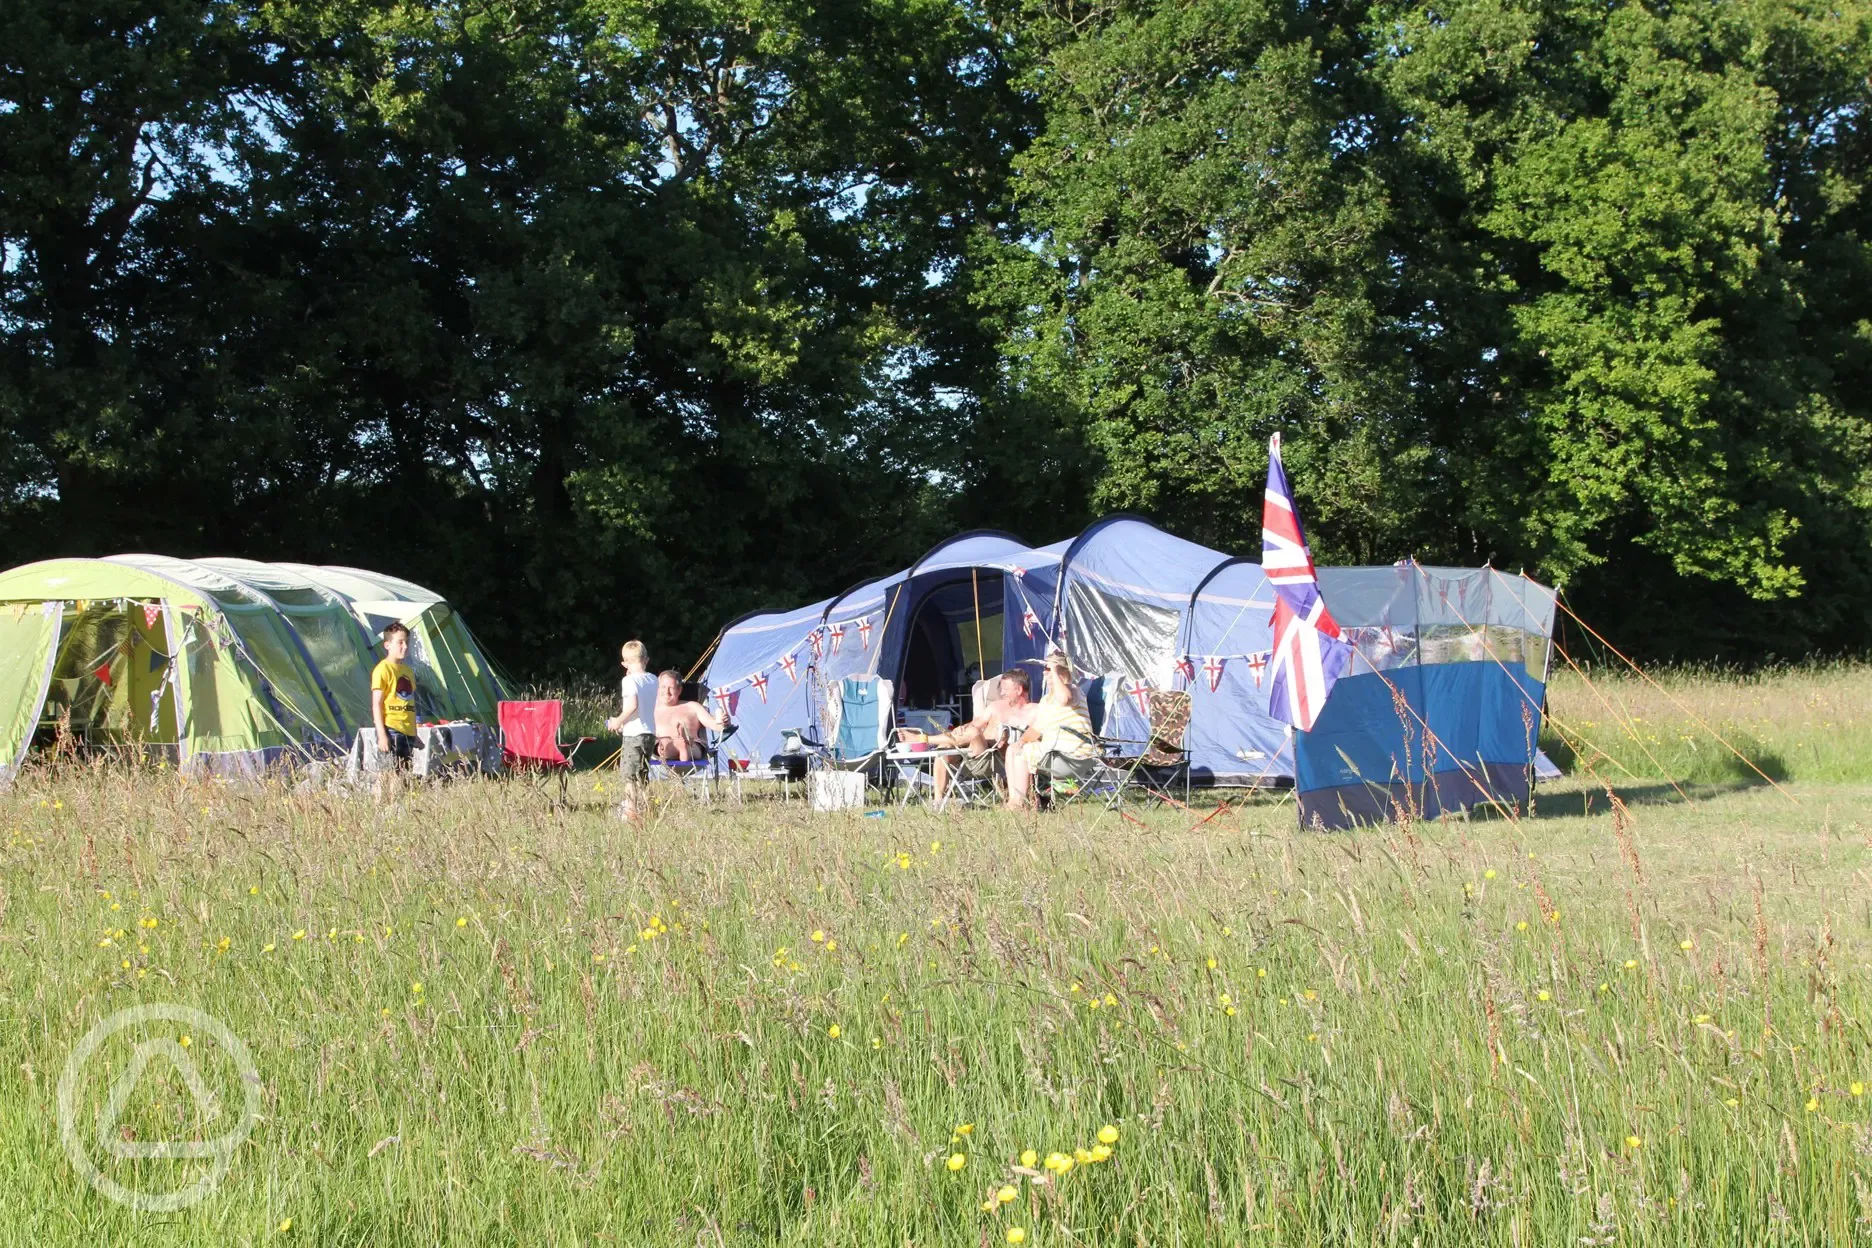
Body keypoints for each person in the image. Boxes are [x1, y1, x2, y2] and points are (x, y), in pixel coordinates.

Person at [1006, 654, 1099, 811]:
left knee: (1024, 753)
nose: (1044, 673)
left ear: (1061, 670)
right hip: (1054, 752)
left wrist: (1054, 672)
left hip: (1074, 753)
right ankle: (1014, 800)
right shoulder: (1046, 700)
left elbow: (1064, 699)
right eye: (1045, 669)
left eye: (1048, 668)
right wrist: (1021, 741)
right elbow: (1036, 729)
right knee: (1013, 749)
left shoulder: (1073, 690)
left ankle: (1020, 803)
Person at [928, 668, 1034, 799]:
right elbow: (975, 723)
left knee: (973, 732)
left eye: (1006, 689)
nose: (1002, 693)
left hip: (995, 758)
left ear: (1019, 690)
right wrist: (962, 728)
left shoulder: (1034, 711)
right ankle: (938, 802)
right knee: (944, 751)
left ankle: (925, 739)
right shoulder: (996, 706)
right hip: (972, 751)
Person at [605, 640, 657, 819]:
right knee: (642, 773)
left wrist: (618, 721)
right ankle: (648, 808)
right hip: (650, 733)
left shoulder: (628, 681)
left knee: (629, 776)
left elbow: (632, 706)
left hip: (633, 734)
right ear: (646, 659)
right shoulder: (653, 679)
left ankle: (631, 811)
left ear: (624, 663)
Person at [370, 621, 422, 798]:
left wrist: (415, 732)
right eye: (400, 642)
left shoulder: (407, 671)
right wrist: (382, 734)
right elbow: (376, 704)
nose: (404, 646)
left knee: (401, 773)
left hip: (407, 730)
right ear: (387, 645)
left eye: (406, 641)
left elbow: (409, 703)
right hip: (391, 729)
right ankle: (378, 808)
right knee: (386, 774)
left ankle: (394, 809)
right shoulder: (382, 670)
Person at [653, 670, 731, 762]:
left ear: (679, 690)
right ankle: (680, 746)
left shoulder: (692, 706)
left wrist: (724, 722)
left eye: (671, 688)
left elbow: (712, 724)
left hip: (692, 745)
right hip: (662, 748)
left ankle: (683, 747)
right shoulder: (650, 709)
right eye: (663, 687)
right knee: (664, 745)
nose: (667, 692)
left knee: (692, 747)